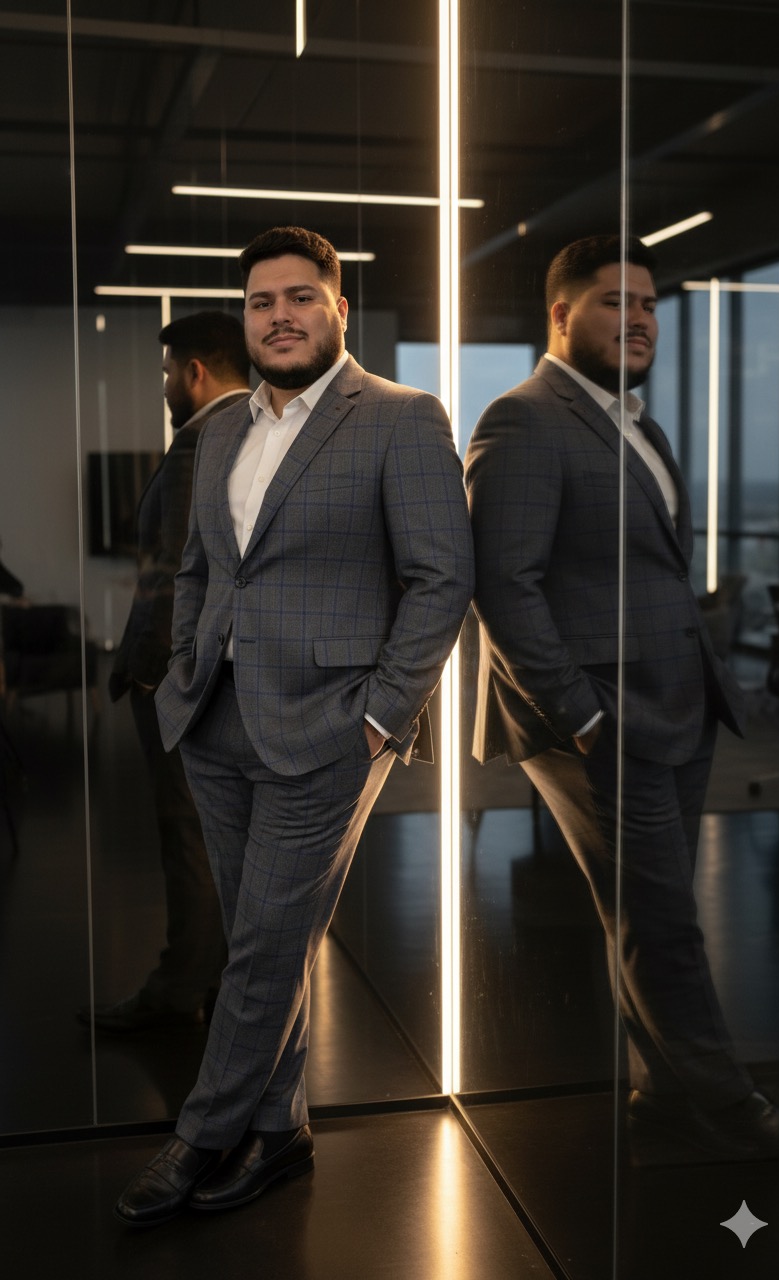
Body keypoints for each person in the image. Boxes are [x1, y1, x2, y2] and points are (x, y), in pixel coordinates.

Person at [114, 226, 474, 1225]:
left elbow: (442, 575)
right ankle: (281, 1129)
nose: (280, 315)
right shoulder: (221, 428)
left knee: (264, 943)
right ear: (245, 317)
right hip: (215, 720)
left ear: (337, 309)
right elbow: (199, 565)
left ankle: (201, 1133)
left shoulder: (400, 418)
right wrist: (184, 669)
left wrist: (379, 717)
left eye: (301, 297)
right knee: (262, 938)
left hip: (327, 728)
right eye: (262, 300)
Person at [465, 234, 779, 1162]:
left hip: (671, 709)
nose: (641, 317)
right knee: (662, 920)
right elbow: (504, 585)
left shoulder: (637, 426)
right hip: (599, 722)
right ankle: (732, 1111)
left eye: (649, 302)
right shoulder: (523, 420)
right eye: (616, 301)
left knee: (644, 914)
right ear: (562, 316)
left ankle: (662, 1088)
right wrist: (581, 714)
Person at [82, 311, 252, 1032]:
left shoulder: (203, 442)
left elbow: (186, 575)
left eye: (165, 375)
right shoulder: (250, 432)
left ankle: (182, 988)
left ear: (194, 372)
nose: (163, 390)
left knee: (189, 838)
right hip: (210, 679)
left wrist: (158, 675)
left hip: (179, 683)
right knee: (209, 841)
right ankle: (209, 982)